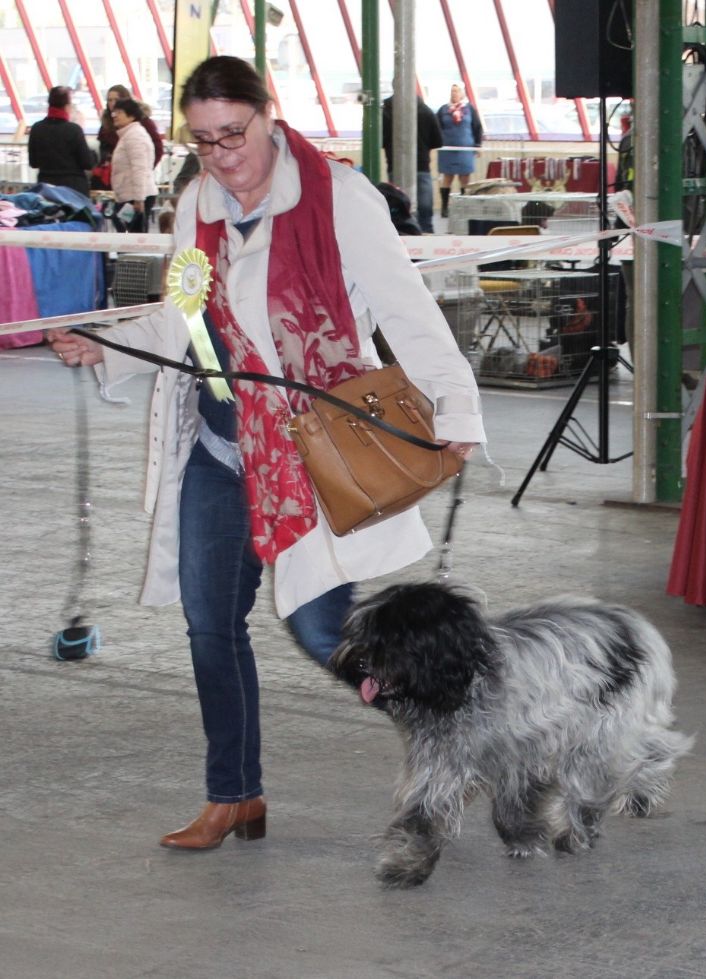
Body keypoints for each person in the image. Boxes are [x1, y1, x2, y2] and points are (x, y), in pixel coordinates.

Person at [49, 55, 484, 850]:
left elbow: (407, 311)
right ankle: (233, 795)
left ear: (268, 114)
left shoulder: (338, 199)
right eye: (204, 140)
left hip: (313, 450)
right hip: (219, 442)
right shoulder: (196, 204)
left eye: (233, 134)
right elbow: (186, 313)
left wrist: (455, 409)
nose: (221, 156)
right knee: (209, 625)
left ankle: (469, 732)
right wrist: (103, 343)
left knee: (326, 634)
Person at [381, 93, 443, 233]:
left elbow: (380, 140)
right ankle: (427, 235)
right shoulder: (426, 111)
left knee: (398, 206)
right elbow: (438, 140)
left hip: (394, 165)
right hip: (421, 165)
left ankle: (401, 234)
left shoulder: (386, 112)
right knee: (425, 207)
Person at [26, 86, 96, 197]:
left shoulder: (37, 128)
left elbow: (33, 163)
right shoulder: (74, 130)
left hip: (46, 189)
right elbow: (87, 163)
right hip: (74, 189)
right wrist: (93, 154)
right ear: (67, 106)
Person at [96, 84, 163, 188]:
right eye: (109, 100)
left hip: (136, 179)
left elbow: (157, 148)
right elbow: (103, 150)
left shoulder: (143, 122)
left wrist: (146, 170)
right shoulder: (106, 124)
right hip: (110, 177)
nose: (113, 103)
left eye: (116, 99)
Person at [109, 98, 158, 232]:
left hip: (135, 196)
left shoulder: (135, 136)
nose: (115, 116)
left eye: (119, 112)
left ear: (131, 116)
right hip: (129, 195)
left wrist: (139, 199)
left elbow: (139, 168)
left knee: (134, 237)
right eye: (114, 112)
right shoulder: (128, 135)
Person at [436, 83, 483, 217]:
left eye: (456, 91)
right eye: (452, 91)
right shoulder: (443, 110)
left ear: (462, 93)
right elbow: (436, 128)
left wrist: (478, 146)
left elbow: (477, 127)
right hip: (447, 149)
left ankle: (464, 207)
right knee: (447, 177)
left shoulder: (469, 109)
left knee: (464, 178)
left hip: (465, 148)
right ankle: (444, 208)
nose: (454, 93)